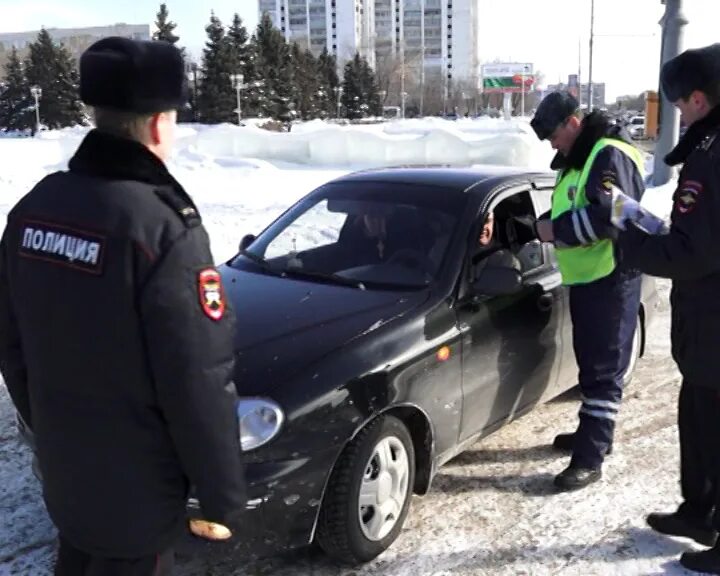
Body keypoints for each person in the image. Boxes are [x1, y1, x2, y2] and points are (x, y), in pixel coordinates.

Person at [0, 37, 245, 575]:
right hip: (139, 500)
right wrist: (224, 498)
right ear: (159, 124)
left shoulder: (33, 210)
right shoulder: (161, 229)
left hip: (67, 478)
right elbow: (197, 379)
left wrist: (51, 426)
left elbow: (12, 345)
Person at [619, 44, 720, 574]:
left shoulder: (713, 154)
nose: (678, 112)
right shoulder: (708, 146)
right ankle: (700, 513)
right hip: (707, 329)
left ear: (700, 99)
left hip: (714, 325)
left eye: (681, 103)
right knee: (698, 423)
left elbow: (694, 251)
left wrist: (630, 242)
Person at [530, 91, 644, 491]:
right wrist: (536, 224)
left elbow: (614, 217)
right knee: (590, 366)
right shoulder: (581, 157)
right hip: (587, 278)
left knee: (603, 371)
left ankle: (591, 457)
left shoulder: (608, 154)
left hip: (612, 277)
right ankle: (591, 435)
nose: (552, 145)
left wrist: (554, 231)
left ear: (572, 123)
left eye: (553, 136)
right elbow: (574, 205)